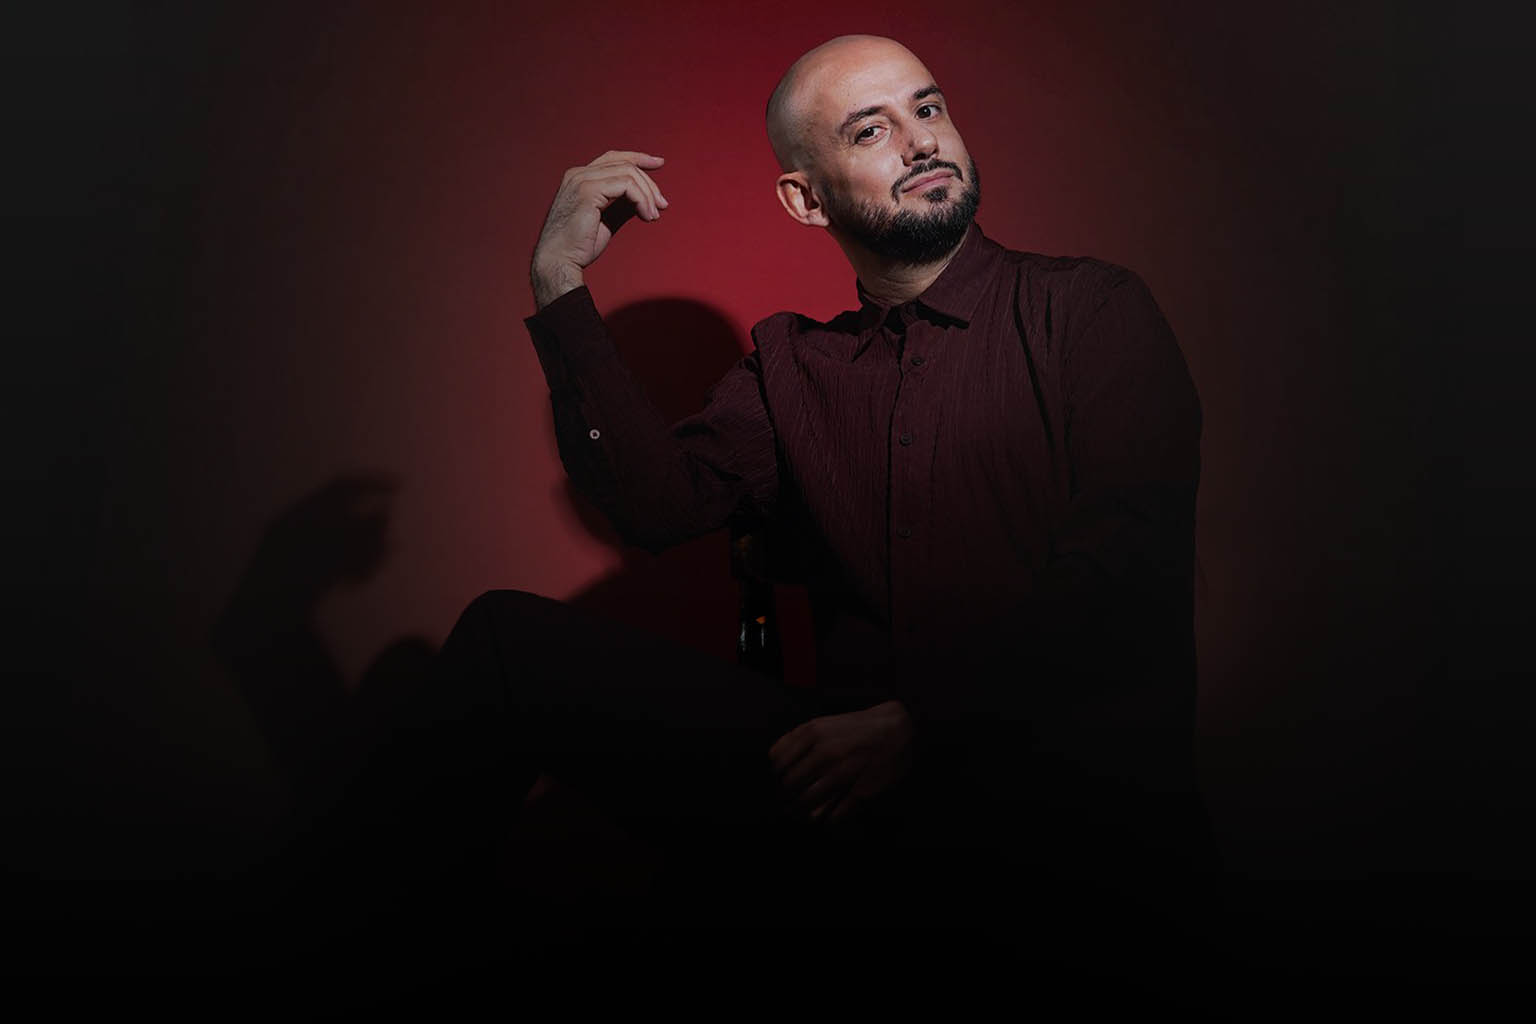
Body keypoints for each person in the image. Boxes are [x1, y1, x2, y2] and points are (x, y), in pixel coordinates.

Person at [419, 34, 1214, 960]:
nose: (921, 141)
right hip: (850, 812)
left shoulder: (1090, 310)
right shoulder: (791, 368)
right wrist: (558, 281)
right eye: (871, 130)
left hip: (1060, 822)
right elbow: (654, 508)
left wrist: (921, 724)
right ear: (805, 199)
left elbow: (1124, 577)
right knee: (506, 644)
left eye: (927, 108)